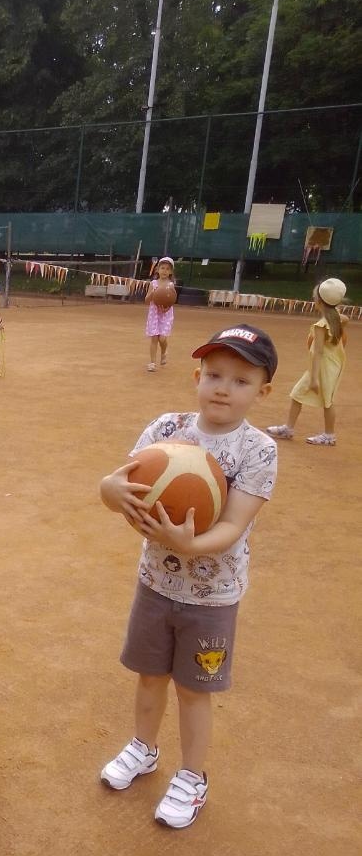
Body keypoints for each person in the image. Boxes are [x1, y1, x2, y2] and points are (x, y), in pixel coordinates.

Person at [98, 323, 278, 829]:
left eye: (241, 381)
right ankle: (144, 748)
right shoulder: (165, 430)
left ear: (262, 391)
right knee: (149, 675)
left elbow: (235, 524)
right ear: (197, 375)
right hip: (155, 584)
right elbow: (118, 484)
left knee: (194, 689)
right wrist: (109, 492)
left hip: (212, 596)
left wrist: (190, 545)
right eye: (214, 374)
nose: (223, 387)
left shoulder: (258, 450)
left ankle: (193, 777)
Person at [267, 277, 348, 446]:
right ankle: (288, 428)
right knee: (297, 394)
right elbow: (344, 319)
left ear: (319, 302)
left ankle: (329, 435)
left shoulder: (321, 325)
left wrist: (314, 379)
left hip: (323, 368)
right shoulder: (337, 319)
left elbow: (317, 352)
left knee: (327, 401)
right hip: (331, 365)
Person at [144, 256, 177, 372]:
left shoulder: (171, 285)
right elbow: (146, 300)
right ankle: (152, 362)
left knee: (162, 339)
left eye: (168, 269)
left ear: (171, 272)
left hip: (166, 315)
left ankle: (164, 352)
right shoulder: (153, 283)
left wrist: (166, 308)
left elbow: (172, 300)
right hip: (154, 314)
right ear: (157, 269)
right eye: (162, 268)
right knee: (154, 338)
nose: (164, 271)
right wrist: (153, 293)